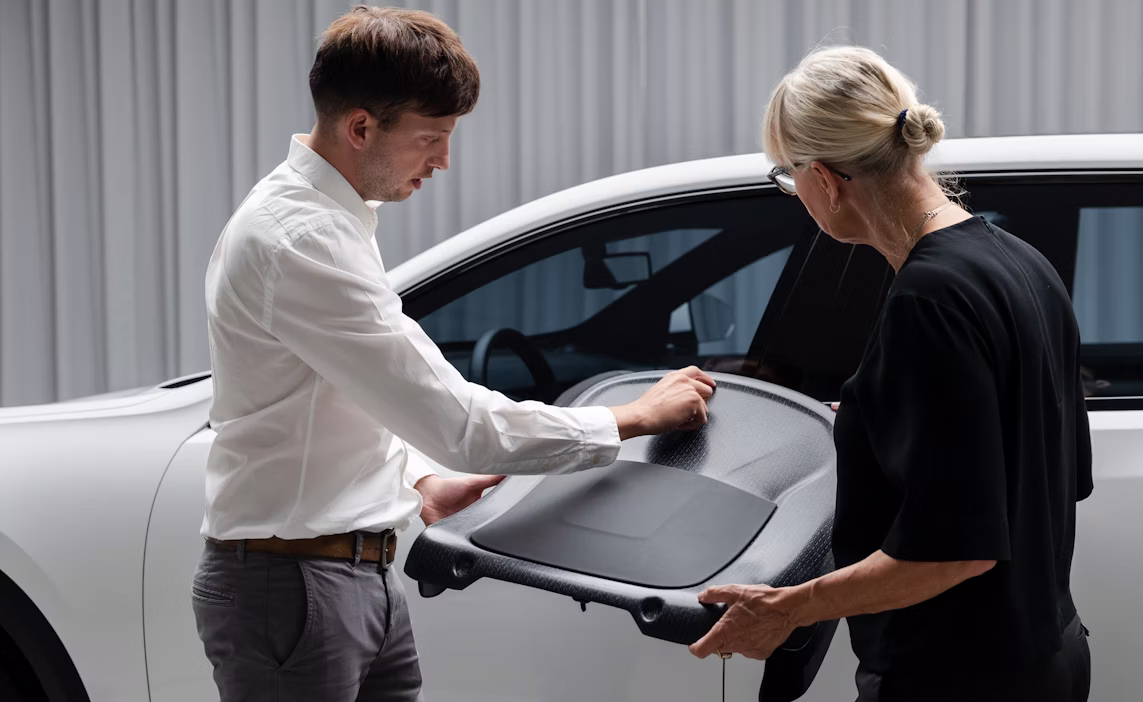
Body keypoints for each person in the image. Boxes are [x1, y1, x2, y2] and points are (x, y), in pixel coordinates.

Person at [192, 6, 715, 701]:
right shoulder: (300, 241)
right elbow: (460, 424)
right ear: (360, 127)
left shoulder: (329, 222)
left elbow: (344, 391)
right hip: (294, 586)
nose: (442, 161)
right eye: (431, 139)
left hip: (351, 573)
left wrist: (415, 482)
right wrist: (633, 418)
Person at [688, 46, 1093, 702]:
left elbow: (954, 550)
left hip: (956, 678)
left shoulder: (927, 300)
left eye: (789, 180)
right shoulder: (1020, 263)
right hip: (1048, 655)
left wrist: (789, 607)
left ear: (824, 178)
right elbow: (1049, 469)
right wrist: (885, 427)